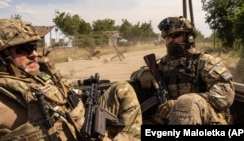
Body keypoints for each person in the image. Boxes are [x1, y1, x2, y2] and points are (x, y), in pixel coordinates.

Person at [0, 19, 142, 140]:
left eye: (34, 47)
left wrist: (81, 83)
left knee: (122, 88)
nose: (34, 54)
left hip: (83, 122)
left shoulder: (31, 75)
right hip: (80, 132)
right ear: (2, 56)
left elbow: (58, 85)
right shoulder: (6, 95)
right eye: (24, 49)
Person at [130, 16, 235, 125]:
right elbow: (135, 76)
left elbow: (226, 94)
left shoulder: (206, 61)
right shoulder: (163, 63)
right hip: (167, 119)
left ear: (188, 37)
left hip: (202, 119)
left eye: (175, 35)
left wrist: (179, 104)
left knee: (186, 104)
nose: (170, 40)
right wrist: (143, 73)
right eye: (167, 37)